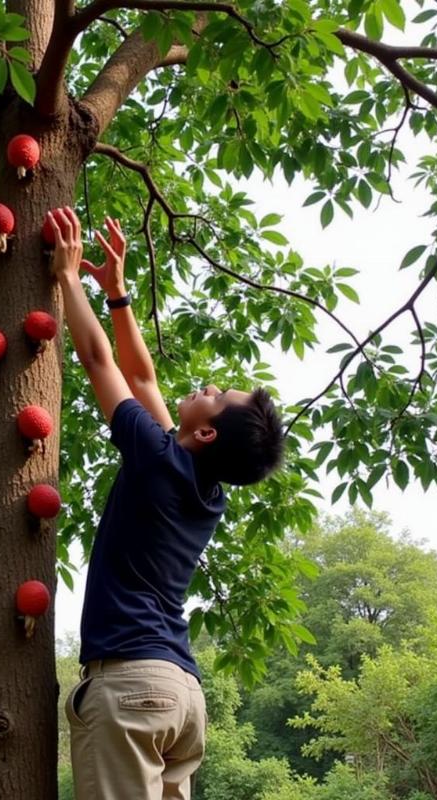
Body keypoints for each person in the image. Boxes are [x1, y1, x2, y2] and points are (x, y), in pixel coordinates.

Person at [45, 206, 285, 800]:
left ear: (207, 433)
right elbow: (143, 377)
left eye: (215, 394)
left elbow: (102, 363)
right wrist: (117, 292)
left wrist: (69, 278)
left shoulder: (157, 457)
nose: (206, 385)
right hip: (180, 694)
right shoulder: (202, 487)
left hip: (132, 686)